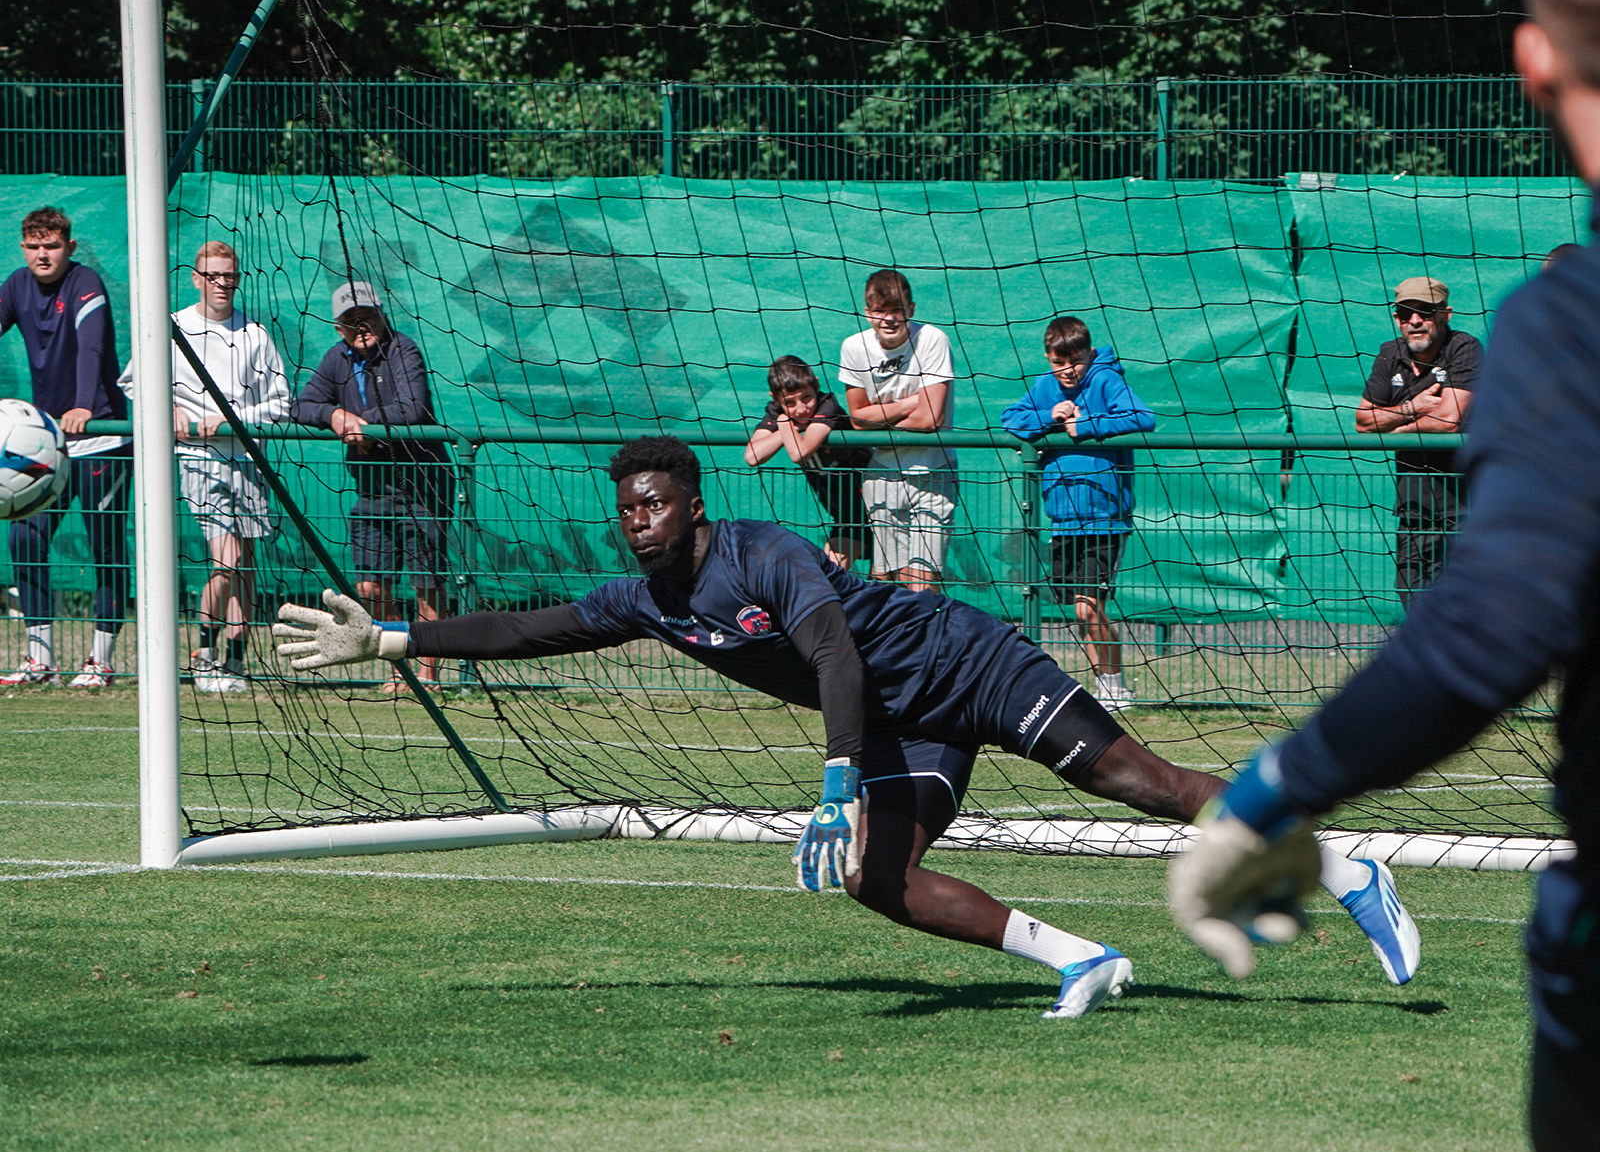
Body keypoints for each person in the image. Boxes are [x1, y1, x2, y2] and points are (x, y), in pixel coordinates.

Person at [275, 435, 1420, 1020]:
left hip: (968, 667)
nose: (637, 523)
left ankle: (1345, 865)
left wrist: (833, 775)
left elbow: (829, 651)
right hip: (897, 728)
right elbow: (531, 629)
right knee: (880, 879)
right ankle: (1083, 960)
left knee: (1142, 782)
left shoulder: (762, 551)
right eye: (626, 509)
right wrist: (387, 641)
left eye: (655, 504)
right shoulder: (641, 599)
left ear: (694, 506)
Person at [1167, 0, 1600, 1149]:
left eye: (1421, 316)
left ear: (1534, 64)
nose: (1412, 329)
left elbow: (1491, 633)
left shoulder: (1566, 323)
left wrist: (1267, 796)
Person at [289, 281, 452, 691]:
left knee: (426, 584)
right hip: (372, 492)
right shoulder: (335, 358)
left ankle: (428, 676)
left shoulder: (403, 349)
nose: (360, 328)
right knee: (369, 586)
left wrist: (367, 429)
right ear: (338, 328)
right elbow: (300, 406)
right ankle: (401, 671)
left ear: (381, 316)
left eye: (367, 318)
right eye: (350, 321)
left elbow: (412, 407)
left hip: (421, 487)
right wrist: (334, 415)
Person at [0, 206, 130, 688]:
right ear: (23, 248)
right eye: (33, 246)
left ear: (68, 247)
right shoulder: (16, 285)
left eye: (51, 245)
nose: (42, 254)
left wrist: (82, 405)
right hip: (47, 443)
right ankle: (40, 660)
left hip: (103, 435)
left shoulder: (86, 281)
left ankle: (101, 661)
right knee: (24, 537)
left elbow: (91, 346)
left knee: (106, 546)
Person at [1002, 317, 1155, 714]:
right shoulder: (1043, 387)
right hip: (1062, 516)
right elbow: (1010, 419)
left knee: (1089, 604)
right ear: (1048, 359)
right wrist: (1048, 417)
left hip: (1106, 516)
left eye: (1076, 360)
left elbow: (1143, 417)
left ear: (1088, 353)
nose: (1068, 370)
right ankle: (1107, 685)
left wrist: (1085, 425)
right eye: (1058, 362)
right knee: (1079, 609)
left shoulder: (1106, 381)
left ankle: (1114, 686)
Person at [169, 240, 290, 693]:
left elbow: (281, 403)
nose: (222, 284)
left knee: (246, 564)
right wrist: (170, 410)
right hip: (198, 460)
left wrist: (236, 420)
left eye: (229, 275)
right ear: (196, 278)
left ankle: (235, 661)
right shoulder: (174, 327)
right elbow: (136, 384)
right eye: (213, 275)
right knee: (228, 559)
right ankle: (204, 655)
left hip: (248, 459)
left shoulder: (254, 334)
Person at [1353, 276, 1481, 608]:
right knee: (1409, 594)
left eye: (1424, 312)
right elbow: (1364, 421)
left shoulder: (1464, 348)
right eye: (1404, 313)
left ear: (1445, 314)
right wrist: (1412, 408)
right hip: (1414, 507)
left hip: (1465, 505)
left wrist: (1396, 429)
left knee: (1461, 603)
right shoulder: (1390, 353)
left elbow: (1448, 421)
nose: (1414, 321)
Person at [838, 270, 957, 593]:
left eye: (897, 310)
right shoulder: (853, 347)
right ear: (867, 312)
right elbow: (858, 420)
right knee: (892, 582)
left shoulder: (933, 339)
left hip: (933, 471)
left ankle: (935, 642)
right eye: (880, 311)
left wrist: (880, 415)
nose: (888, 319)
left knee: (921, 581)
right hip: (882, 476)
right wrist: (910, 404)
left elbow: (931, 417)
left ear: (912, 309)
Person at [743, 355, 872, 571]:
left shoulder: (826, 405)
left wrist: (784, 423)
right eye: (790, 403)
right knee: (828, 576)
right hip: (847, 516)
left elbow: (799, 452)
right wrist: (789, 427)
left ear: (817, 386)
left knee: (896, 582)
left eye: (806, 397)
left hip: (877, 507)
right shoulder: (779, 412)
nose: (802, 409)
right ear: (775, 399)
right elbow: (752, 456)